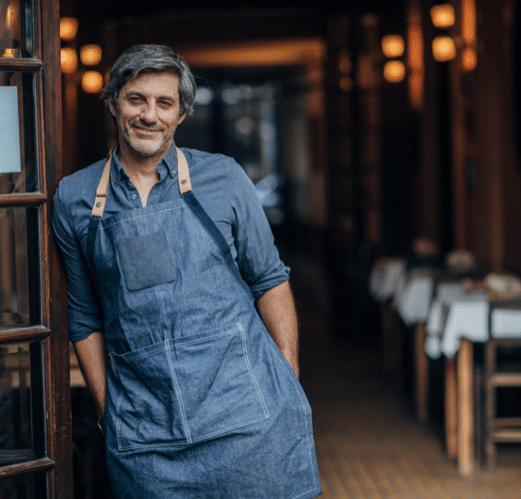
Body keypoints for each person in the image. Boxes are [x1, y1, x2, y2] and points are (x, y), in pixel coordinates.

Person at [53, 44, 321, 499]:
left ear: (181, 114)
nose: (149, 115)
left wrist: (286, 375)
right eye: (136, 99)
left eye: (164, 103)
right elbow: (84, 319)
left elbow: (269, 279)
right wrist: (109, 414)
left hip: (249, 420)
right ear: (114, 101)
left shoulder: (225, 178)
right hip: (147, 435)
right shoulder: (74, 198)